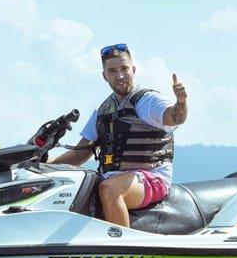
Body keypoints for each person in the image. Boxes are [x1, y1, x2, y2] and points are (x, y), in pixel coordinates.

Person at [51, 42, 188, 227]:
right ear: (104, 76)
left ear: (134, 70)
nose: (120, 76)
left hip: (151, 177)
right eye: (113, 71)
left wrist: (181, 102)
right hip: (113, 177)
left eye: (124, 69)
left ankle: (122, 242)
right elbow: (79, 154)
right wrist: (40, 166)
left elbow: (175, 117)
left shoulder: (148, 101)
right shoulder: (102, 111)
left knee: (110, 189)